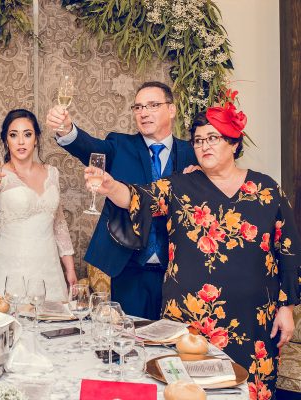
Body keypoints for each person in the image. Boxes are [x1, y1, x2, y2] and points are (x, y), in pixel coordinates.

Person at [86, 100, 300, 397]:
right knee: (186, 391)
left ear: (234, 142)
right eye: (198, 140)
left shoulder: (266, 189)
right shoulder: (180, 186)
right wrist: (110, 187)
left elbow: (289, 250)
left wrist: (286, 308)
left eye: (213, 138)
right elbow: (139, 197)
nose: (204, 146)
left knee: (250, 391)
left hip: (254, 321)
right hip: (190, 320)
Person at [46, 81, 197, 319]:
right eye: (138, 107)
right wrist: (66, 130)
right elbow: (89, 147)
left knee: (172, 345)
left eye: (152, 105)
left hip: (178, 272)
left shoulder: (192, 153)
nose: (143, 113)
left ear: (172, 109)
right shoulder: (120, 145)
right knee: (129, 341)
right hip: (129, 268)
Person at [0, 109, 77, 301]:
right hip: (9, 266)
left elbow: (59, 225)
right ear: (6, 141)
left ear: (36, 139)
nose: (21, 142)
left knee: (51, 326)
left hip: (48, 268)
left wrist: (70, 268)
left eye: (27, 134)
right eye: (14, 135)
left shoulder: (52, 173)